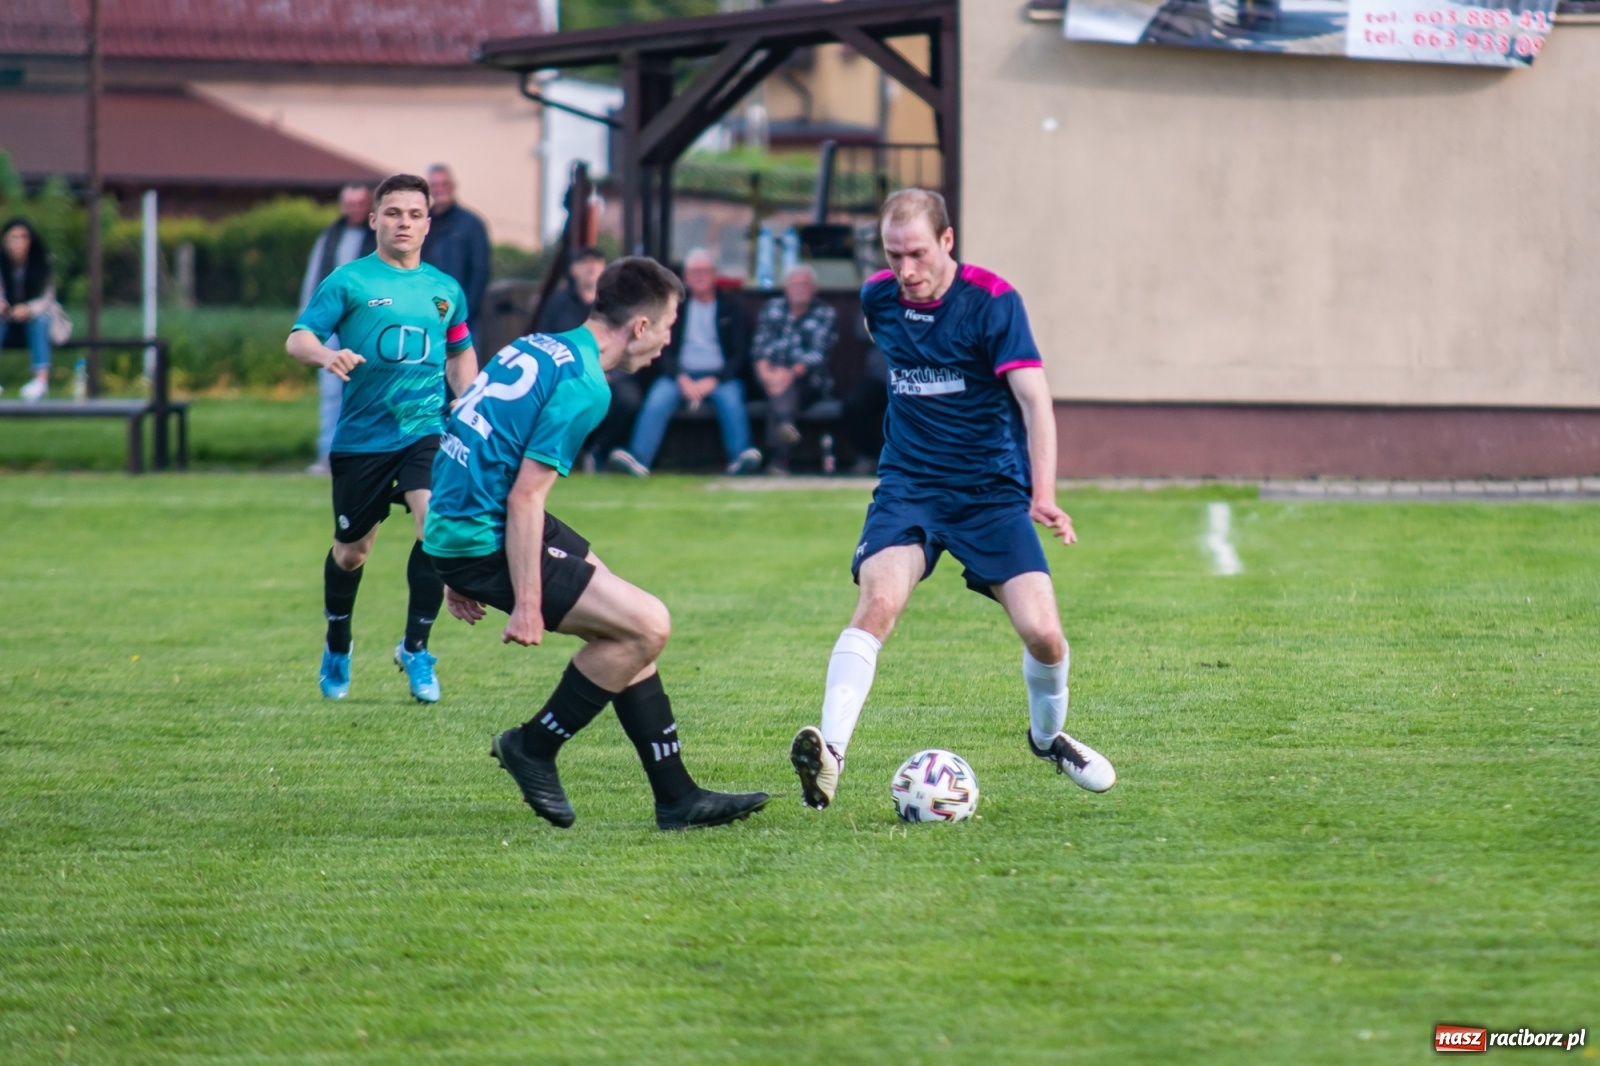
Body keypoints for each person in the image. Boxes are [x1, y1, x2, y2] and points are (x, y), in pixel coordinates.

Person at [787, 188, 1117, 810]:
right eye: (892, 255)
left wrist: (1041, 492)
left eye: (916, 254)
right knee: (878, 602)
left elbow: (1035, 402)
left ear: (947, 241)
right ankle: (829, 754)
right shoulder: (877, 298)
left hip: (991, 495)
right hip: (909, 486)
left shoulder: (993, 302)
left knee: (1044, 635)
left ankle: (1047, 740)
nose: (905, 271)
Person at [423, 257, 770, 831]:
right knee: (648, 625)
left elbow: (464, 431)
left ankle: (677, 797)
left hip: (460, 523)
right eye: (666, 326)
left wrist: (443, 559)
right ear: (639, 327)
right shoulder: (585, 385)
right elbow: (524, 500)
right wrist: (525, 603)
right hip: (483, 534)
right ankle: (533, 746)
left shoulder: (538, 346)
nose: (666, 340)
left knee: (624, 619)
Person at [286, 173, 478, 705]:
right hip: (363, 438)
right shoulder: (349, 281)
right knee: (352, 553)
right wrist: (328, 355)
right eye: (393, 213)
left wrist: (468, 396)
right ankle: (338, 642)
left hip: (426, 430)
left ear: (428, 223)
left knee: (434, 526)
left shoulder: (445, 289)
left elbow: (460, 350)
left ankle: (416, 648)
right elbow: (298, 338)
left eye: (415, 214)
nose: (404, 223)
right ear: (374, 220)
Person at [606, 249, 761, 476]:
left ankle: (740, 458)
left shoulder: (732, 308)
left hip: (720, 377)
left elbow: (740, 354)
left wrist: (715, 380)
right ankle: (638, 459)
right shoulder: (672, 310)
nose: (699, 276)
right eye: (694, 272)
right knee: (657, 399)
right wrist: (680, 378)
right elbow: (662, 350)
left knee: (732, 399)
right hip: (679, 375)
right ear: (685, 277)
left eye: (704, 271)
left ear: (714, 275)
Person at [535, 247, 642, 469]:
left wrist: (609, 371)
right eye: (585, 262)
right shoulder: (558, 303)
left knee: (629, 398)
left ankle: (601, 451)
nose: (591, 267)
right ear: (573, 269)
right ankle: (567, 453)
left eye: (597, 261)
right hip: (569, 374)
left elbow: (629, 343)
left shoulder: (617, 304)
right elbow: (546, 342)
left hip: (610, 373)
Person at [299, 184, 376, 474]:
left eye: (360, 204)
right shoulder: (330, 236)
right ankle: (328, 454)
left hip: (367, 325)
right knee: (332, 392)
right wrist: (307, 321)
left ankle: (365, 453)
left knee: (367, 389)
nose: (354, 209)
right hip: (332, 326)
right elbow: (313, 280)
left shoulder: (378, 237)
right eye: (350, 204)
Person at [751, 263, 837, 474]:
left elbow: (818, 354)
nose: (800, 288)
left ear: (814, 289)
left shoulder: (825, 313)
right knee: (782, 395)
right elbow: (759, 348)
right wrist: (766, 375)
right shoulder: (772, 308)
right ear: (786, 288)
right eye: (795, 284)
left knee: (784, 396)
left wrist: (787, 376)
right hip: (770, 378)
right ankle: (779, 459)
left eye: (805, 284)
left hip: (810, 382)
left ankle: (776, 458)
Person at [420, 164, 491, 346]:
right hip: (424, 312)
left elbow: (480, 271)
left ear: (453, 186)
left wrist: (465, 311)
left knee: (461, 370)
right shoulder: (422, 222)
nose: (440, 189)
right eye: (435, 185)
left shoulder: (471, 224)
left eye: (444, 184)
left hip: (460, 316)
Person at [1, 218, 60, 403]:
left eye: (23, 237)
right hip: (6, 321)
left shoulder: (42, 262)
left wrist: (27, 309)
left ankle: (40, 381)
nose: (18, 242)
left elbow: (47, 299)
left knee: (41, 320)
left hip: (32, 320)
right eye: (13, 237)